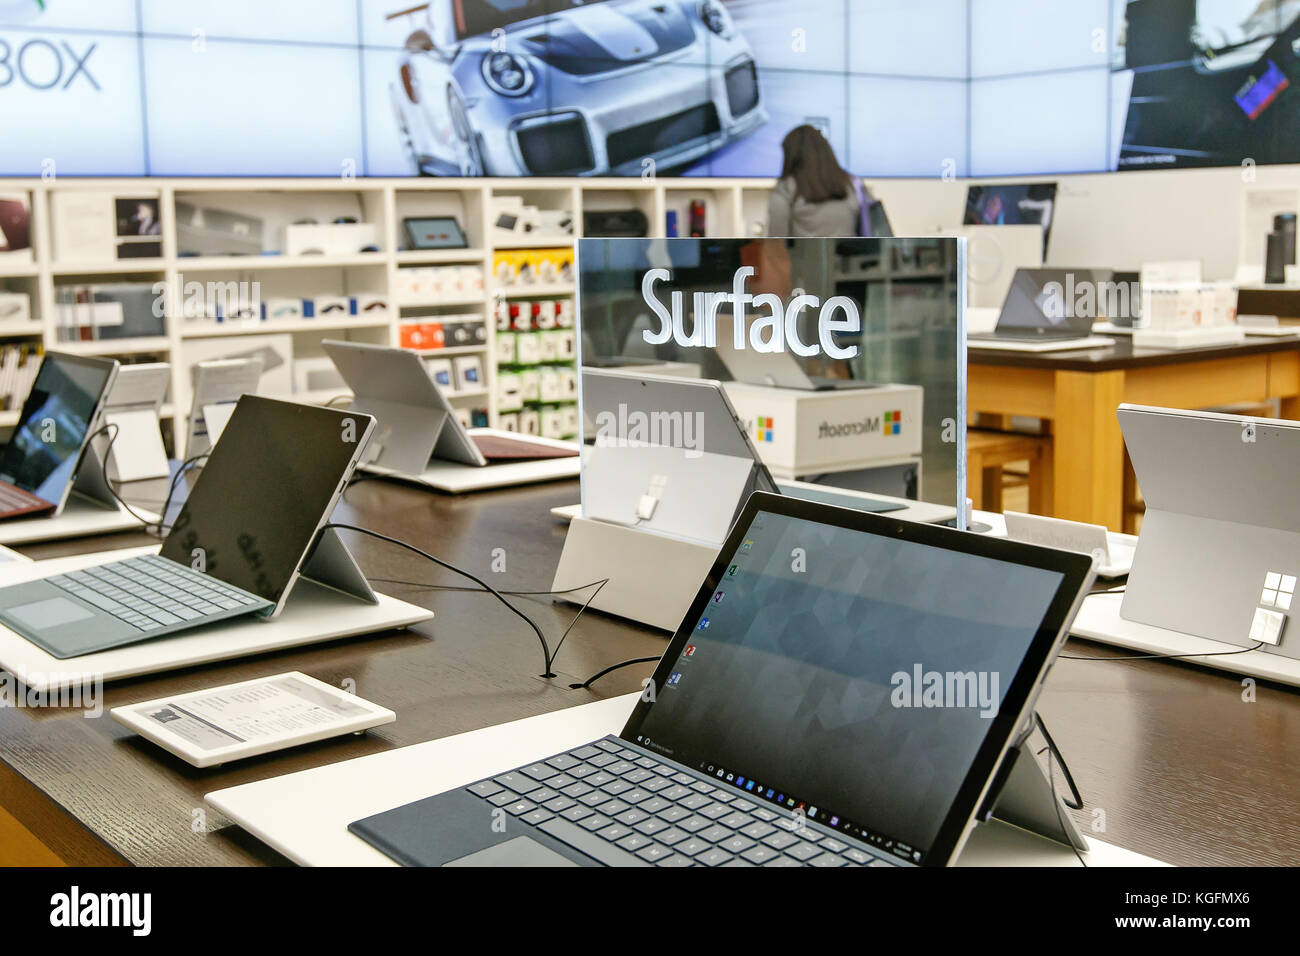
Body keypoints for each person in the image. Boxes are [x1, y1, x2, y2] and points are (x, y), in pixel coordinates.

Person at [767, 125, 866, 238]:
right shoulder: (852, 184)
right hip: (851, 254)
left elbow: (776, 240)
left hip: (804, 255)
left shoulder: (786, 189)